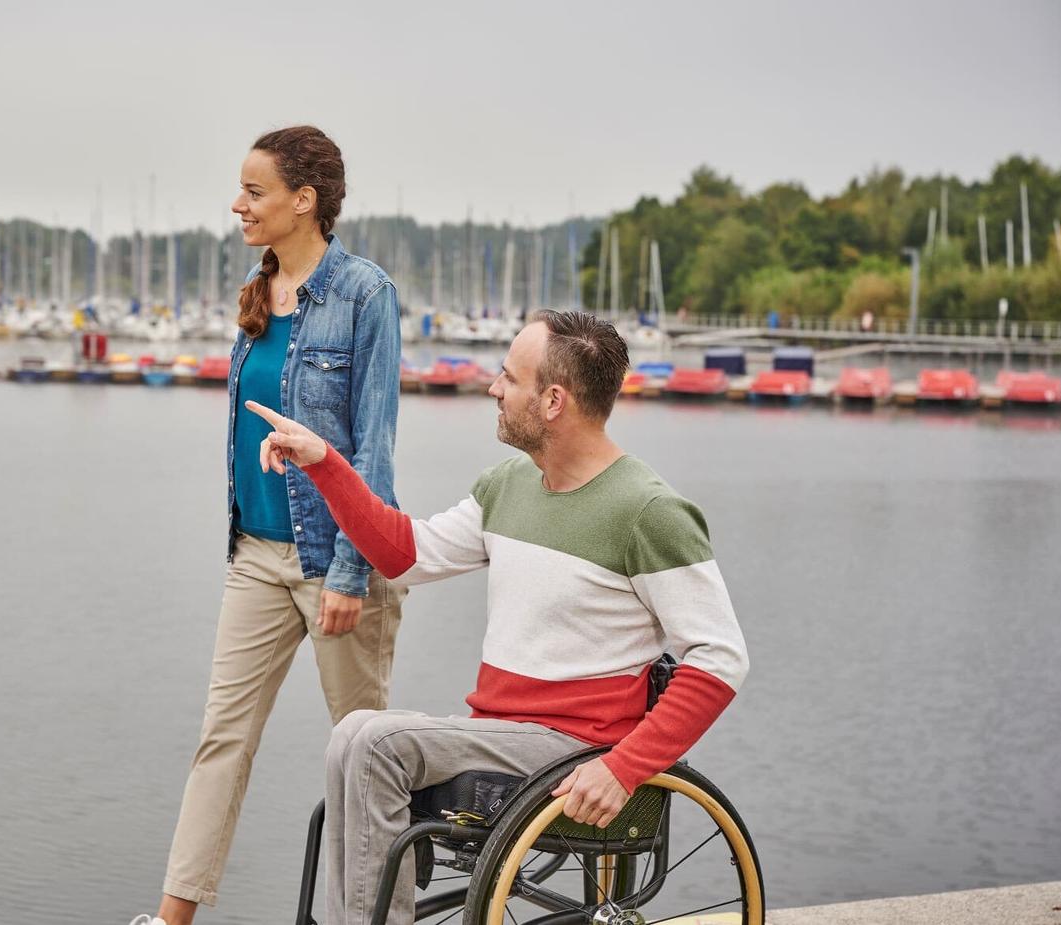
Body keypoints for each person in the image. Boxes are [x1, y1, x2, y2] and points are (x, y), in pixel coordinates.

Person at [246, 309, 749, 925]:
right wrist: (324, 461)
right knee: (354, 731)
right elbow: (403, 555)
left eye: (510, 378)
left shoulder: (648, 512)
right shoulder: (511, 485)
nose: (494, 388)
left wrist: (623, 767)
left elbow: (720, 657)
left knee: (376, 741)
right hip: (504, 734)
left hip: (572, 749)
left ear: (554, 401)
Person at [129, 126, 406, 925]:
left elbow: (375, 444)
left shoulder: (364, 294)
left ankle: (393, 916)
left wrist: (353, 572)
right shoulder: (260, 291)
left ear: (304, 201)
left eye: (254, 191)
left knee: (367, 761)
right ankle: (172, 920)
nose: (238, 204)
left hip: (334, 564)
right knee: (222, 738)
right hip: (254, 554)